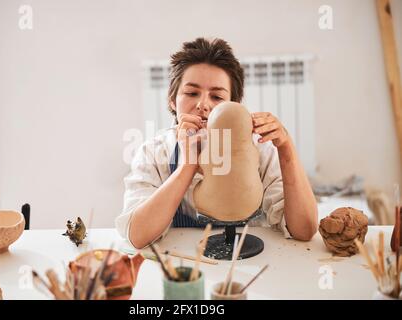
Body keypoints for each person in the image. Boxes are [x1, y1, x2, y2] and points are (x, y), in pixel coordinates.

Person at [116, 37, 318, 249]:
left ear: (234, 104)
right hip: (186, 270)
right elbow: (138, 236)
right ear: (172, 100)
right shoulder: (154, 152)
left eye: (217, 97)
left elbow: (303, 231)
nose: (203, 105)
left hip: (251, 264)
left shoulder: (260, 149)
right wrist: (187, 167)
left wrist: (286, 149)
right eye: (192, 93)